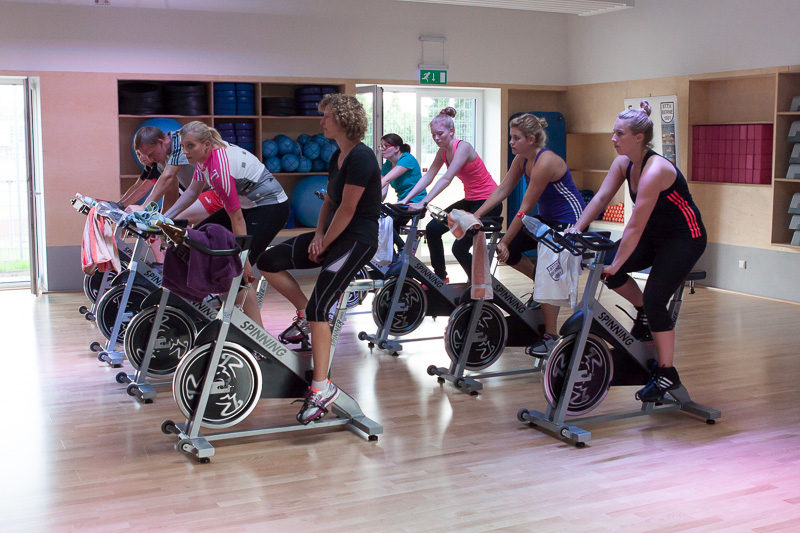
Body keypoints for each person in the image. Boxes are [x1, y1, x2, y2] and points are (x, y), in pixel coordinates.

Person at [567, 101, 707, 402]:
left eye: (620, 134)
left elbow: (634, 225)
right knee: (604, 267)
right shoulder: (623, 163)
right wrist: (576, 228)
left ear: (639, 137)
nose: (613, 138)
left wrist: (618, 263)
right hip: (653, 236)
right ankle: (642, 311)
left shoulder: (656, 170)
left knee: (655, 298)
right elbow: (600, 198)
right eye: (613, 132)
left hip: (684, 238)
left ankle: (667, 373)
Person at [256, 94, 381, 424]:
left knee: (320, 308)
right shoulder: (337, 155)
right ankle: (303, 314)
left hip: (357, 240)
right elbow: (329, 202)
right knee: (268, 261)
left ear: (342, 119)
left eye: (326, 116)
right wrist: (318, 234)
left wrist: (326, 240)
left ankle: (321, 388)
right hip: (334, 233)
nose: (321, 121)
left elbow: (349, 209)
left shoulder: (362, 157)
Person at [473, 114, 585, 355]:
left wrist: (504, 241)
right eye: (511, 137)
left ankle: (551, 337)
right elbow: (502, 189)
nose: (511, 142)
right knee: (514, 252)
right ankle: (541, 286)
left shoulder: (546, 162)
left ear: (531, 139)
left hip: (570, 221)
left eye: (516, 138)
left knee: (541, 268)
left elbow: (524, 209)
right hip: (547, 219)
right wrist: (477, 215)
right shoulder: (521, 159)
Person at [163, 121, 290, 330]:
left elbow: (237, 218)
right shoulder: (204, 158)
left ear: (206, 144)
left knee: (237, 271)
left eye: (190, 146)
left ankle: (258, 335)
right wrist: (165, 218)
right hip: (249, 205)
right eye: (183, 146)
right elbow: (192, 192)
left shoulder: (218, 169)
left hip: (270, 208)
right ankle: (209, 300)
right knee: (196, 238)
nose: (185, 152)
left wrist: (245, 259)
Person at [398, 107, 499, 281]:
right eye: (433, 135)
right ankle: (440, 278)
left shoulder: (463, 148)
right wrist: (405, 200)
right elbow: (428, 176)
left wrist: (423, 202)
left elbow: (446, 179)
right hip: (471, 201)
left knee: (458, 249)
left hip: (488, 202)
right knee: (433, 229)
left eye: (440, 134)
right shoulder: (443, 152)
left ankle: (480, 283)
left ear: (451, 131)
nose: (436, 138)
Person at [131, 126, 222, 225]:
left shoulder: (181, 141)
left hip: (220, 191)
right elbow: (171, 193)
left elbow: (168, 176)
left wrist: (144, 207)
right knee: (170, 223)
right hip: (202, 193)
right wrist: (160, 220)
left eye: (151, 154)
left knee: (175, 221)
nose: (150, 159)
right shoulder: (162, 158)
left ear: (160, 142)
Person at [379, 133, 425, 250]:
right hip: (402, 202)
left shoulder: (407, 159)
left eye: (385, 146)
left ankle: (403, 248)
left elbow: (385, 180)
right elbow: (383, 191)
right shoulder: (387, 165)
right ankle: (393, 256)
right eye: (381, 146)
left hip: (416, 201)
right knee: (381, 220)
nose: (382, 149)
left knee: (387, 222)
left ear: (396, 148)